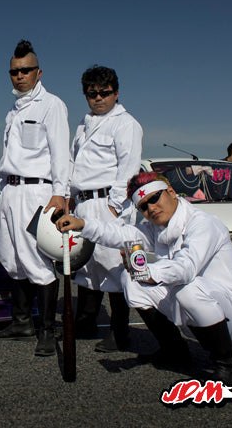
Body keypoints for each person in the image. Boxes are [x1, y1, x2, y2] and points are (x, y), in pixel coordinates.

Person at [56, 171, 232, 384]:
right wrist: (83, 225)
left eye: (154, 198)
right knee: (131, 280)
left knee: (186, 287)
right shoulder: (156, 228)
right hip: (198, 311)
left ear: (171, 192)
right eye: (143, 206)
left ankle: (226, 364)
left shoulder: (203, 223)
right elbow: (122, 234)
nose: (151, 208)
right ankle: (175, 351)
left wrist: (149, 272)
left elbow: (186, 268)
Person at [0, 39, 69, 357]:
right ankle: (21, 321)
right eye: (14, 71)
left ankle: (47, 331)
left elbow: (61, 152)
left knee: (37, 260)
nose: (19, 75)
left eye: (25, 70)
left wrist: (60, 193)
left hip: (37, 191)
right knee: (10, 258)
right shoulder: (13, 111)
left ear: (39, 72)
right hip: (9, 191)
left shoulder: (52, 105)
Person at [68, 66, 143, 353]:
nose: (98, 98)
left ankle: (120, 332)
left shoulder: (125, 124)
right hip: (84, 202)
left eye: (104, 92)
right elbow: (75, 164)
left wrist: (114, 206)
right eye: (92, 93)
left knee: (113, 266)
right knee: (87, 265)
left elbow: (128, 168)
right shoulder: (83, 126)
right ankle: (86, 323)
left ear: (116, 92)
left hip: (108, 203)